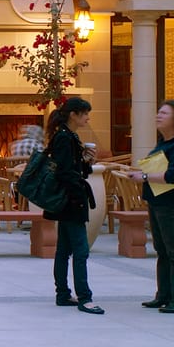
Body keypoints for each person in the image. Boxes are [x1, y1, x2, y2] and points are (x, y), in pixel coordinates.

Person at [121, 99, 174, 315]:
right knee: (162, 251)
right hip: (157, 202)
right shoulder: (163, 143)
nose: (158, 116)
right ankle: (164, 295)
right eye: (158, 112)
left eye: (164, 113)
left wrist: (144, 176)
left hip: (172, 204)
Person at [45, 97, 103, 314]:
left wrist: (87, 162)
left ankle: (63, 294)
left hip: (67, 201)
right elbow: (65, 172)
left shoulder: (67, 137)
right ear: (73, 114)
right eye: (85, 113)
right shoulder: (64, 138)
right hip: (72, 201)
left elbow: (75, 169)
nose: (88, 118)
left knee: (64, 250)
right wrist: (79, 190)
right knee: (80, 250)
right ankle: (85, 298)